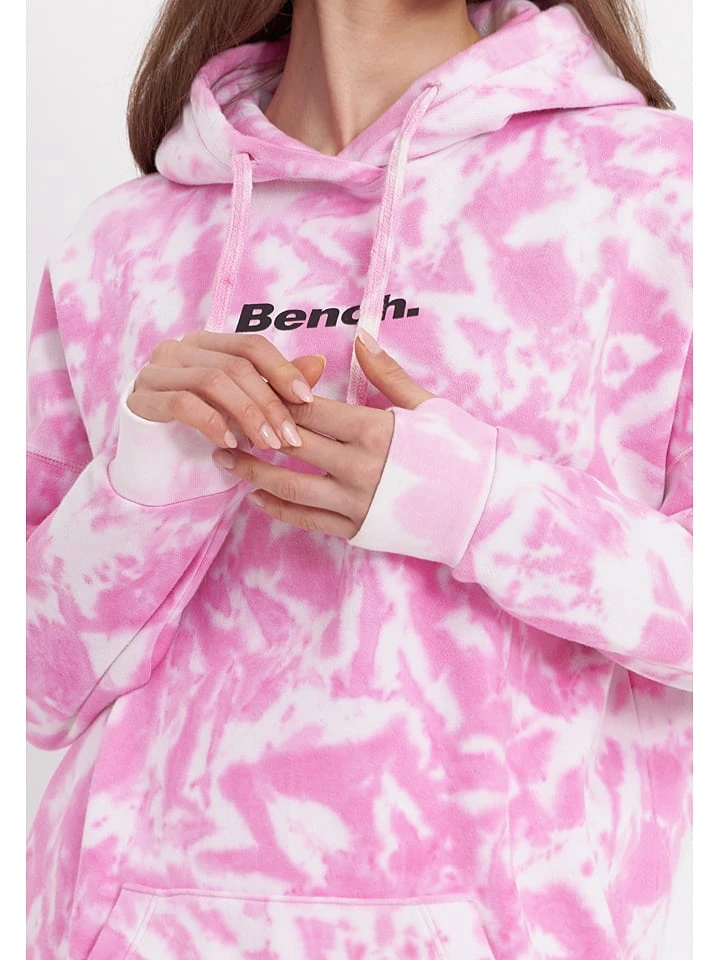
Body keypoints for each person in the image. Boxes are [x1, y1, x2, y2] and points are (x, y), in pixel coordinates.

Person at [26, 0, 692, 956]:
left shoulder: (661, 192)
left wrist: (476, 503)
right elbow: (36, 692)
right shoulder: (123, 243)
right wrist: (146, 481)